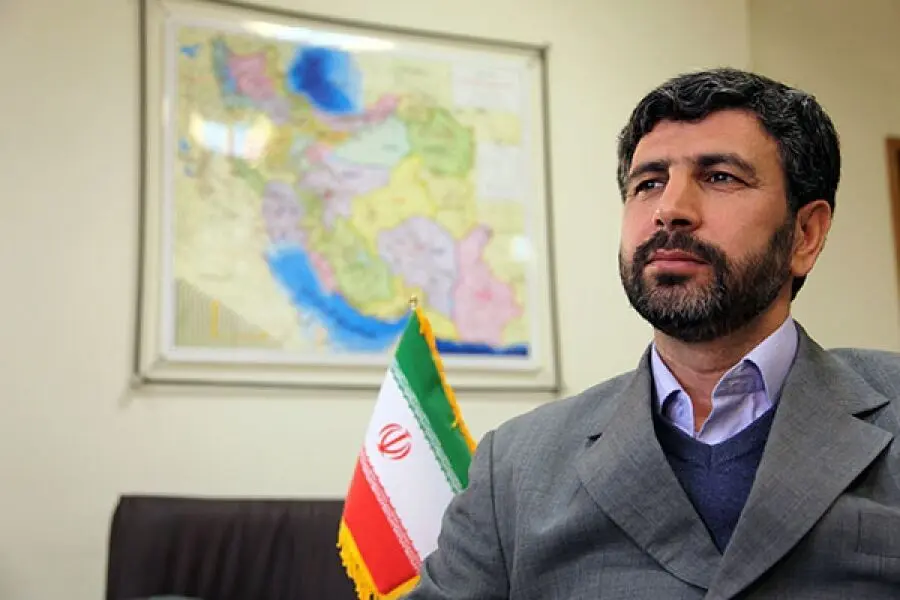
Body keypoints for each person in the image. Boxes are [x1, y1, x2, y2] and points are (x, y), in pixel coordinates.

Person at [403, 67, 900, 599]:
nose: (670, 211)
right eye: (649, 184)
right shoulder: (516, 467)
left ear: (805, 234)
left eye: (720, 177)